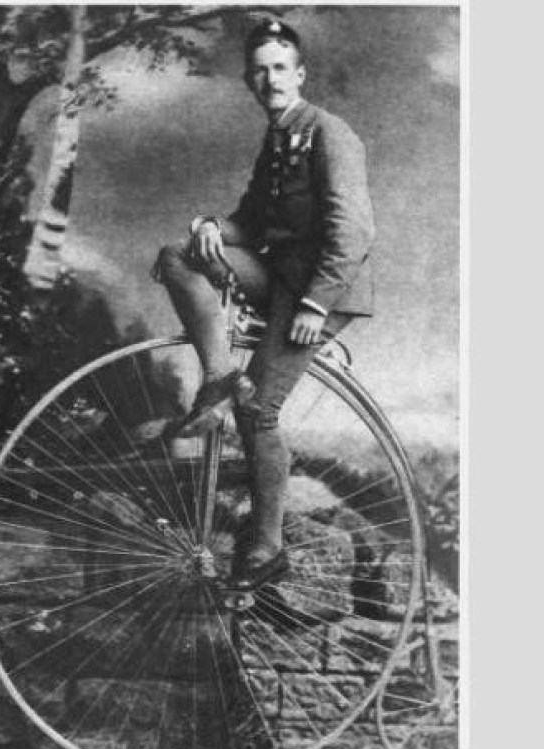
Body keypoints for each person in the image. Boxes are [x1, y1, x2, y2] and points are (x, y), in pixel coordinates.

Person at [151, 18, 376, 590]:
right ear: (249, 80)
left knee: (259, 411)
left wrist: (315, 305)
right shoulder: (277, 138)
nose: (270, 79)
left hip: (322, 288)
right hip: (279, 276)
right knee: (179, 255)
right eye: (259, 70)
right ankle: (220, 377)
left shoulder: (330, 133)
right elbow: (250, 223)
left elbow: (354, 231)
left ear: (299, 74)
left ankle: (269, 547)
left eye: (280, 68)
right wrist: (211, 225)